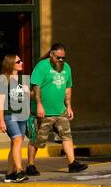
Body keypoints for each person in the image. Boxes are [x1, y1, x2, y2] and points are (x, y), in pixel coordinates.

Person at [25, 43, 87, 175]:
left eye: (63, 58)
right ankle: (30, 165)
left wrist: (69, 106)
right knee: (37, 140)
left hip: (60, 111)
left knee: (67, 136)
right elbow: (36, 87)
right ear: (51, 54)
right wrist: (39, 105)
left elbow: (68, 88)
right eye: (58, 57)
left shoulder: (67, 68)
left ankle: (72, 163)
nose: (61, 60)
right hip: (44, 112)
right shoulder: (42, 66)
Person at [0, 53, 30, 183]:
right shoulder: (3, 80)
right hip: (10, 115)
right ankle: (19, 171)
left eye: (21, 61)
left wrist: (28, 93)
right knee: (17, 140)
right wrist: (1, 120)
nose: (21, 63)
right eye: (18, 62)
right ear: (11, 64)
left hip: (22, 115)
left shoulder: (23, 80)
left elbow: (26, 100)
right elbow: (0, 102)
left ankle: (9, 174)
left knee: (15, 144)